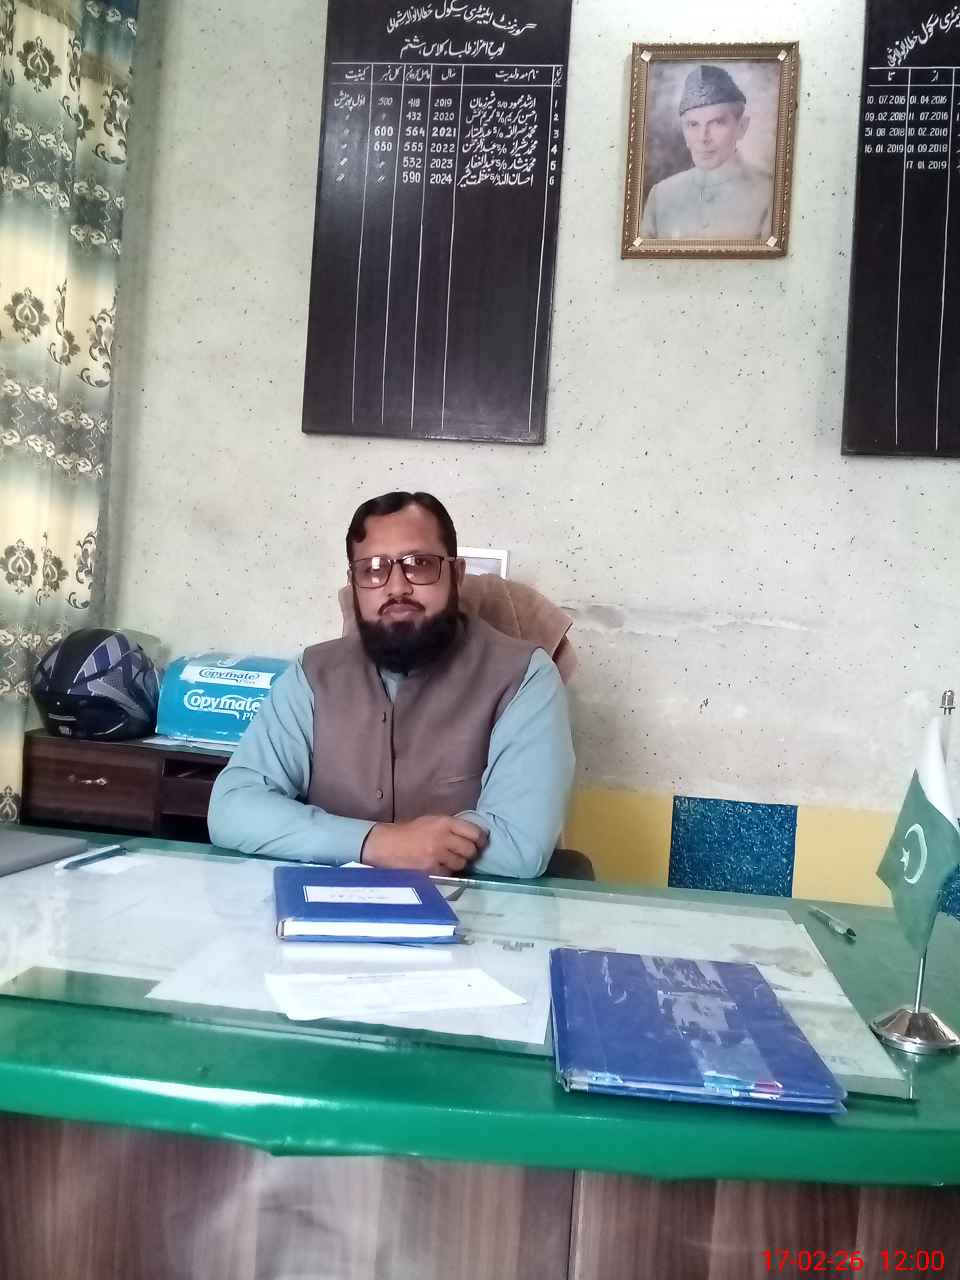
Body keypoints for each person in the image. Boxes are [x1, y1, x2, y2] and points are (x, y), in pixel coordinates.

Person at [207, 491, 575, 878]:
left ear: (457, 575)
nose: (396, 587)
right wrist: (379, 843)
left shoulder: (524, 676)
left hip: (472, 910)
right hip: (331, 906)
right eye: (373, 569)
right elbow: (232, 810)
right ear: (355, 584)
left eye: (419, 564)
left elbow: (519, 845)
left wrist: (322, 838)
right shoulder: (312, 675)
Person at [640, 64, 773, 240]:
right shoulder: (661, 196)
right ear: (683, 131)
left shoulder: (770, 194)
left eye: (717, 123)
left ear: (742, 127)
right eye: (693, 124)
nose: (703, 138)